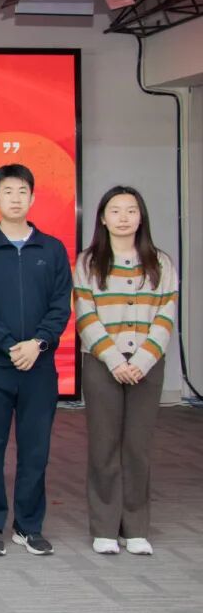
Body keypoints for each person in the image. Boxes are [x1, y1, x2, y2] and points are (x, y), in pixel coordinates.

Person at [0, 165, 71, 557]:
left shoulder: (52, 249)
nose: (15, 198)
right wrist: (9, 344)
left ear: (32, 197)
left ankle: (28, 526)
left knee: (35, 450)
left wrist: (38, 343)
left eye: (22, 191)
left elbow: (61, 305)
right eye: (7, 191)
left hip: (39, 368)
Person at [75, 186, 178, 556]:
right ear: (102, 218)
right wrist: (115, 360)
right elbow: (85, 314)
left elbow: (166, 315)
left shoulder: (160, 263)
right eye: (115, 210)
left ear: (141, 217)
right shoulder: (88, 262)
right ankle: (104, 527)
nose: (123, 217)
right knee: (104, 446)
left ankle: (135, 528)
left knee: (138, 447)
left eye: (131, 210)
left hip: (147, 366)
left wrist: (143, 360)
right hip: (102, 363)